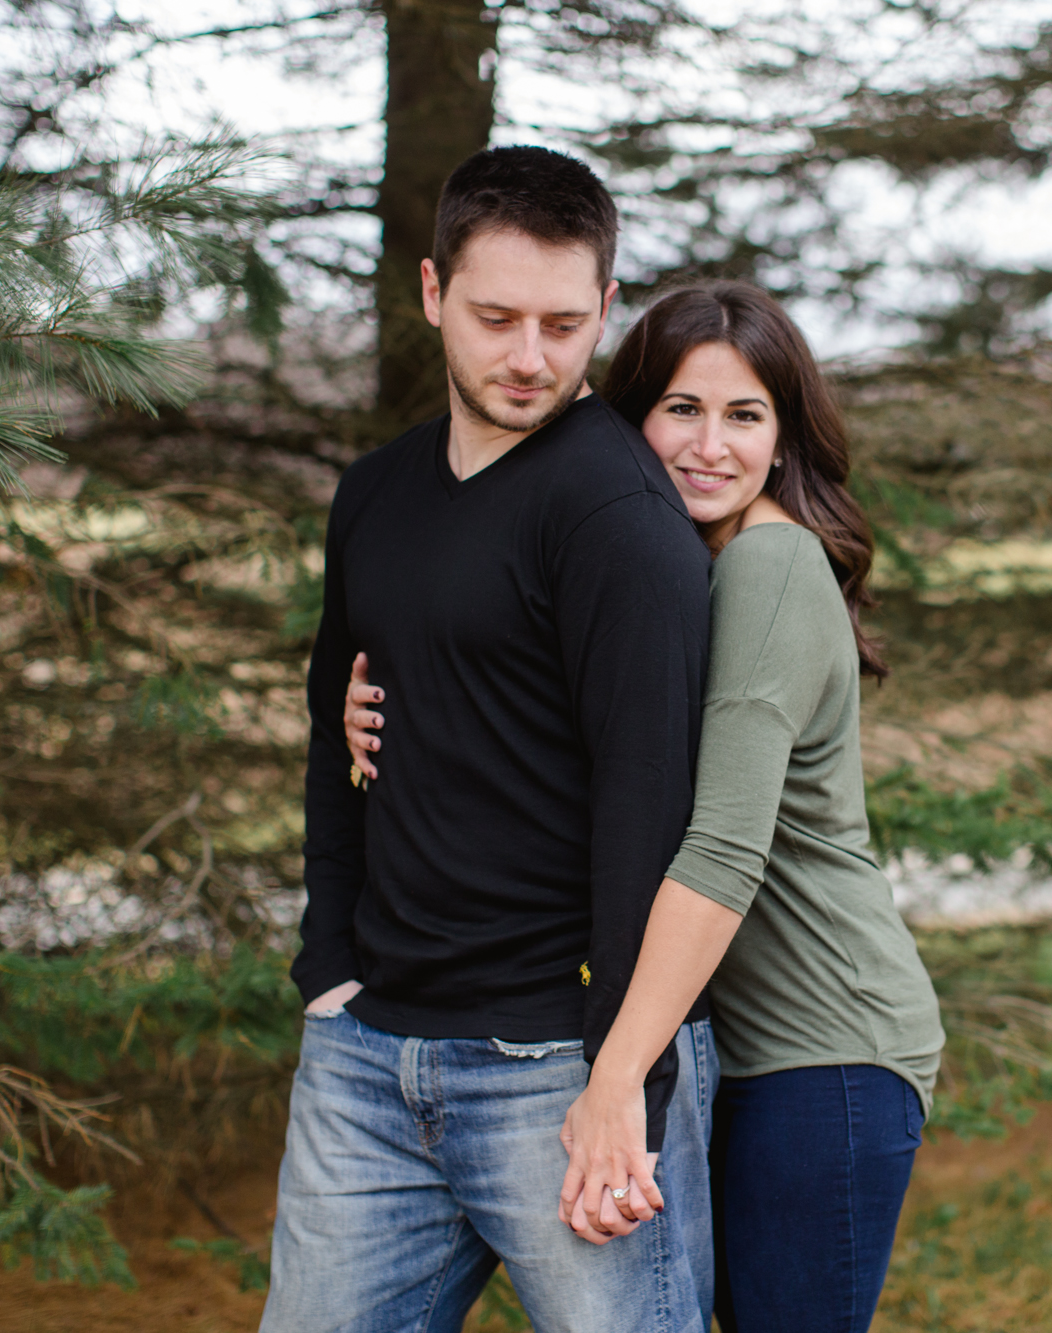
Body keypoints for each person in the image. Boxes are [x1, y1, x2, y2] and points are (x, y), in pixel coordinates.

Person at [345, 282, 946, 1333]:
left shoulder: (765, 563)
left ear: (783, 436)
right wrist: (368, 711)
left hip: (822, 1048)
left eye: (744, 414)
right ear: (630, 418)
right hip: (718, 1038)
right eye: (680, 407)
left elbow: (719, 847)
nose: (708, 444)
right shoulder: (662, 567)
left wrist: (612, 1076)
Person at [265, 146, 717, 1333]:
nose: (530, 356)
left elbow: (653, 812)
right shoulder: (375, 492)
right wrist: (328, 967)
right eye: (495, 316)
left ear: (606, 309)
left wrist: (626, 1083)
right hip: (369, 1061)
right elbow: (334, 721)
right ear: (429, 292)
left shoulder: (617, 518)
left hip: (555, 1070)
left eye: (565, 324)